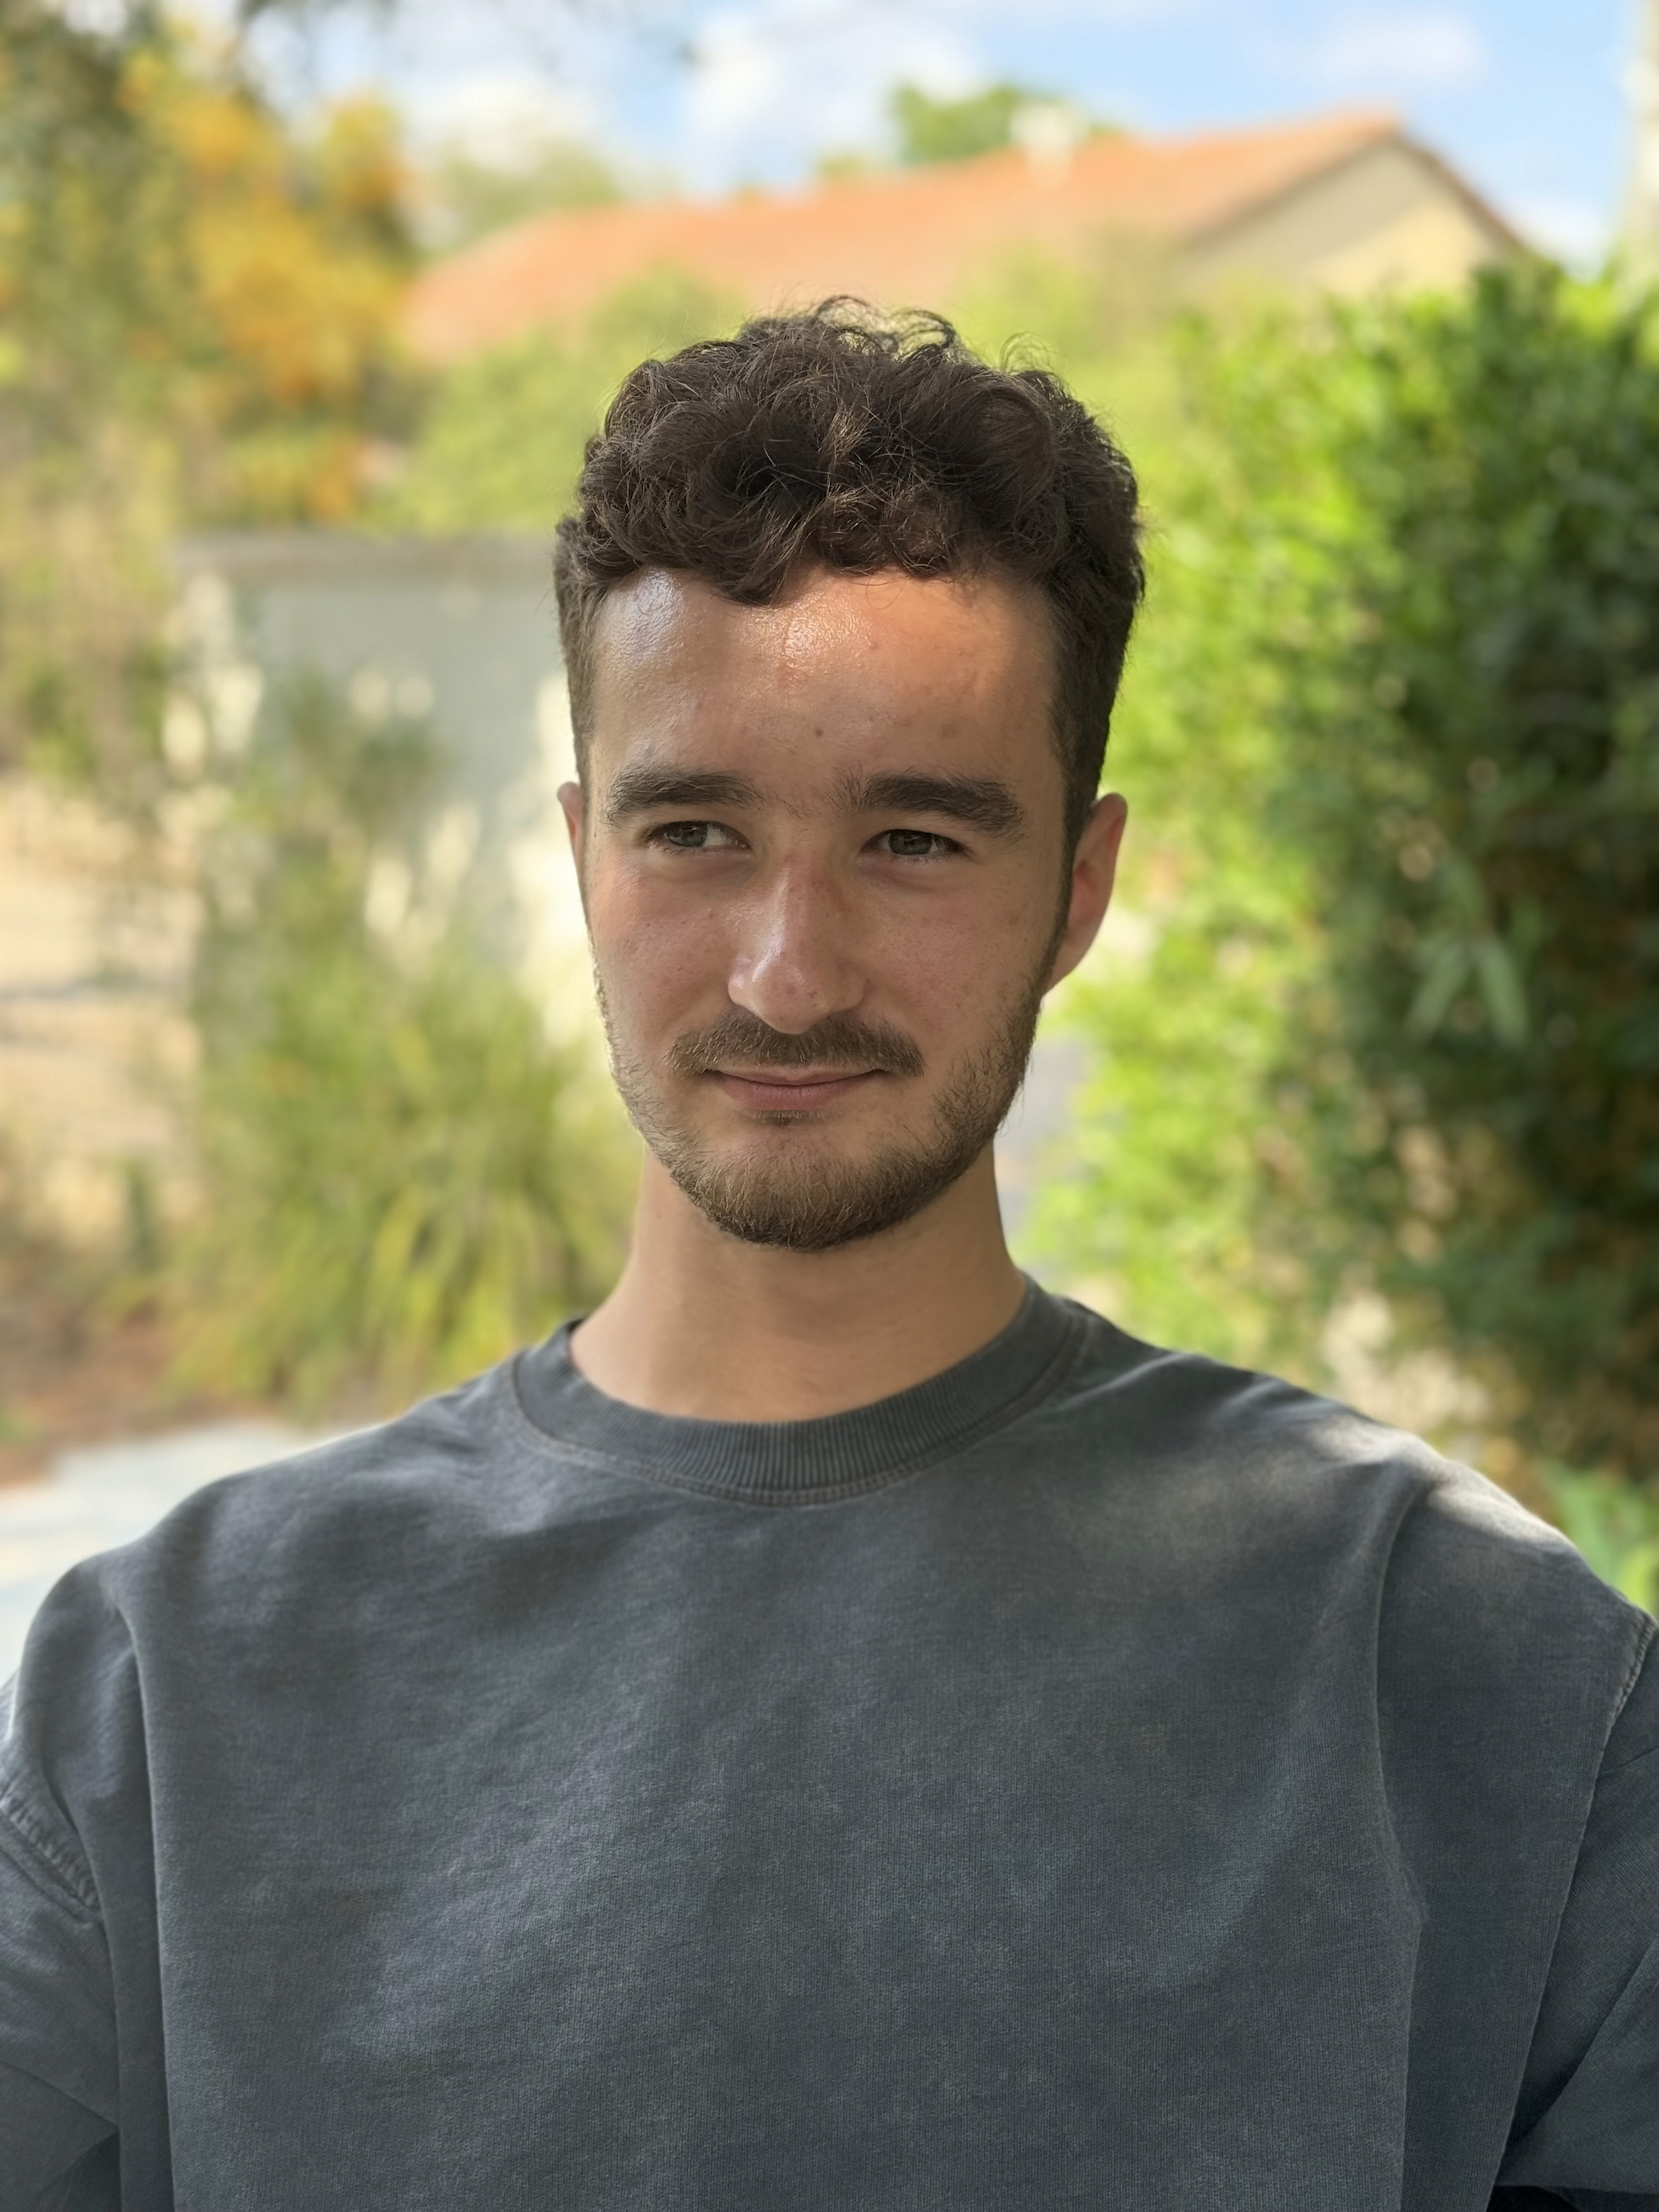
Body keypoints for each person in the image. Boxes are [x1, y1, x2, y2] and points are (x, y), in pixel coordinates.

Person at [2, 304, 1655, 2212]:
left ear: (1079, 890)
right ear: (583, 860)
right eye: (696, 830)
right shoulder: (169, 1692)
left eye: (917, 843)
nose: (791, 973)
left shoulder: (1464, 1674)